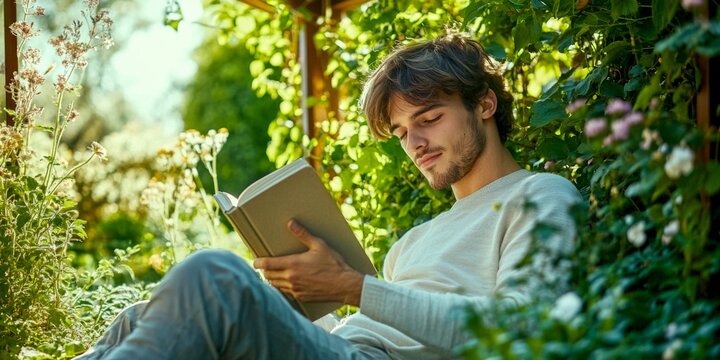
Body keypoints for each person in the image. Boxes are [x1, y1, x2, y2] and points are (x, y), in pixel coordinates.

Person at [76, 31, 581, 360]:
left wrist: (352, 287)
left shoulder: (540, 195)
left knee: (212, 275)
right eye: (403, 132)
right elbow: (379, 326)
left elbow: (522, 329)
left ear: (485, 103)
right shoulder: (413, 243)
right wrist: (301, 292)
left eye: (429, 119)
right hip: (337, 348)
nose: (416, 144)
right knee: (141, 315)